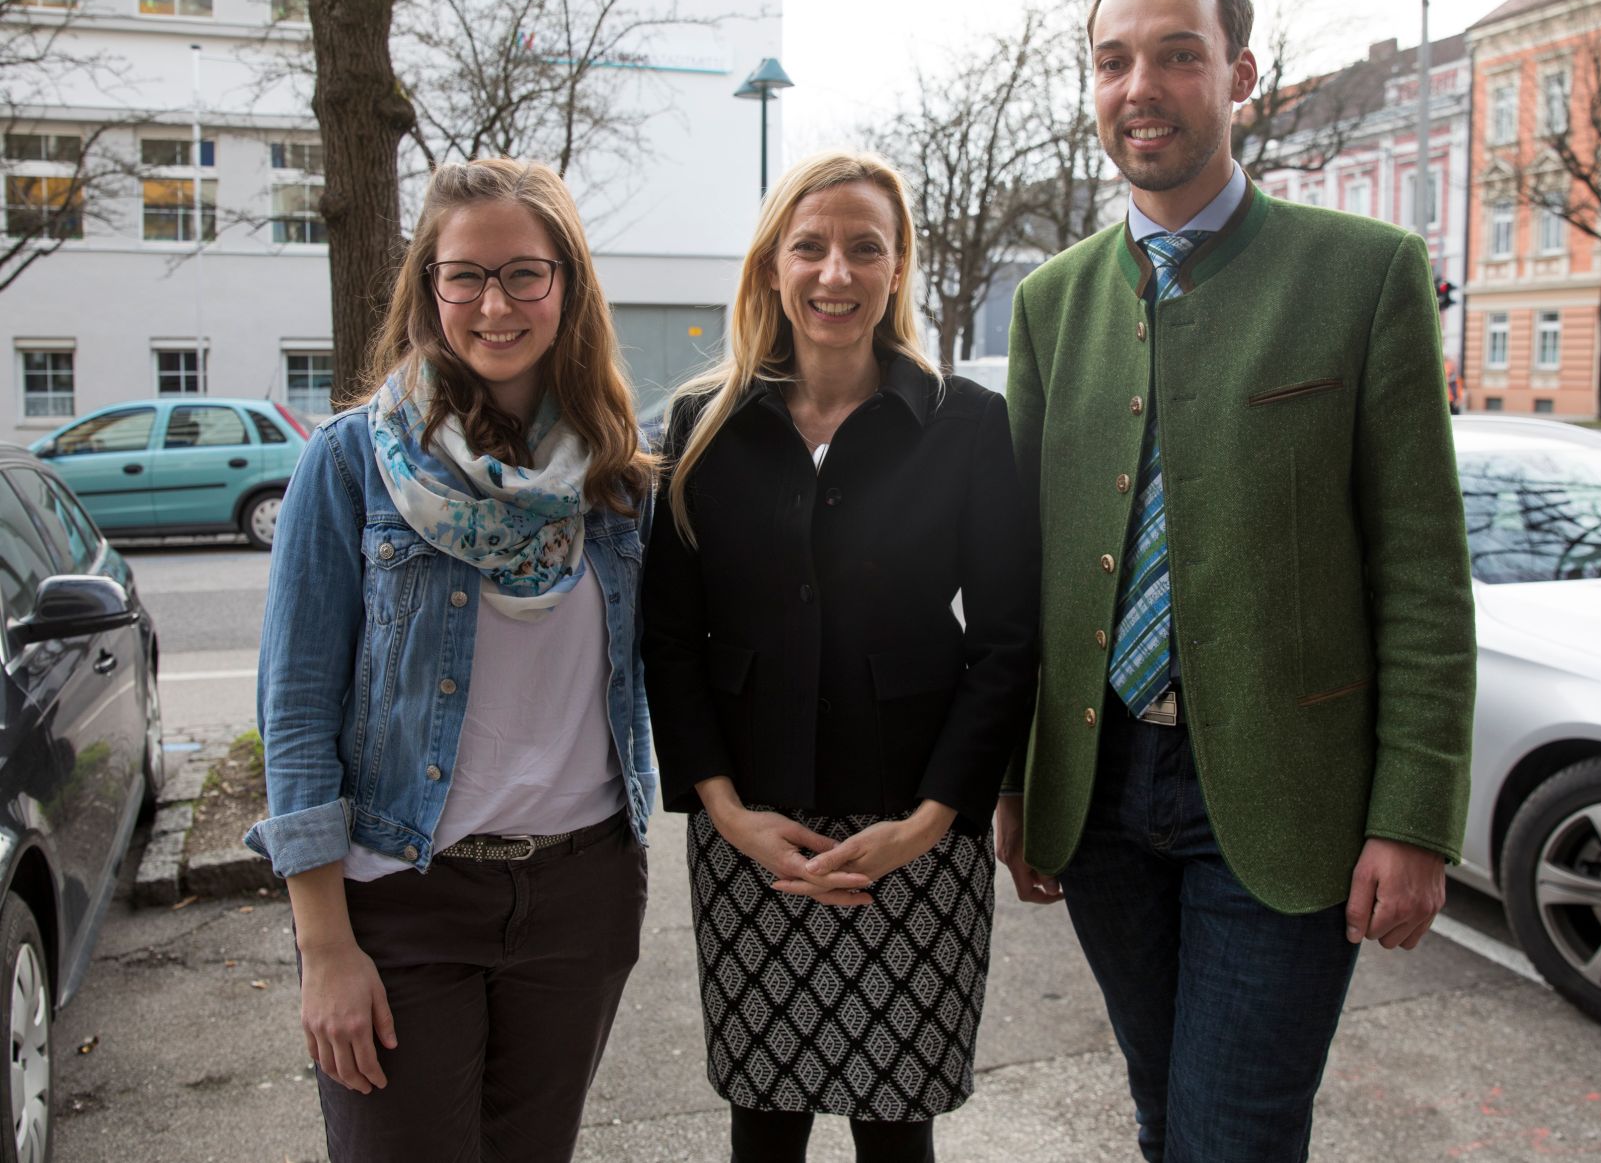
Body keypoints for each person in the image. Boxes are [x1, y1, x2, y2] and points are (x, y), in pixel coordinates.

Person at [995, 0, 1476, 1163]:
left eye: (1175, 54)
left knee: (1235, 1135)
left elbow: (1419, 569)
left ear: (1239, 74)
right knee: (1163, 1107)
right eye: (1113, 60)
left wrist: (1413, 816)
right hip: (1099, 797)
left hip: (1278, 794)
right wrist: (1014, 778)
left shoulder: (1362, 274)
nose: (1138, 85)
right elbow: (1019, 572)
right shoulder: (1051, 304)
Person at [244, 158, 656, 1162]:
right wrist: (324, 946)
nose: (493, 302)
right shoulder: (349, 463)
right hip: (403, 898)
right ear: (428, 286)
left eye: (523, 271)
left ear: (567, 284)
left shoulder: (617, 480)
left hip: (580, 897)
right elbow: (296, 713)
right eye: (462, 273)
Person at [642, 150, 1038, 1163]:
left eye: (865, 248)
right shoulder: (703, 426)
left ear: (897, 266)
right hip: (750, 827)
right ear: (771, 267)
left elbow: (1004, 641)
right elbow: (669, 637)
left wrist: (934, 819)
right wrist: (724, 810)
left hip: (913, 824)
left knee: (893, 1126)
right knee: (762, 1123)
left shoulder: (964, 424)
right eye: (809, 246)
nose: (835, 272)